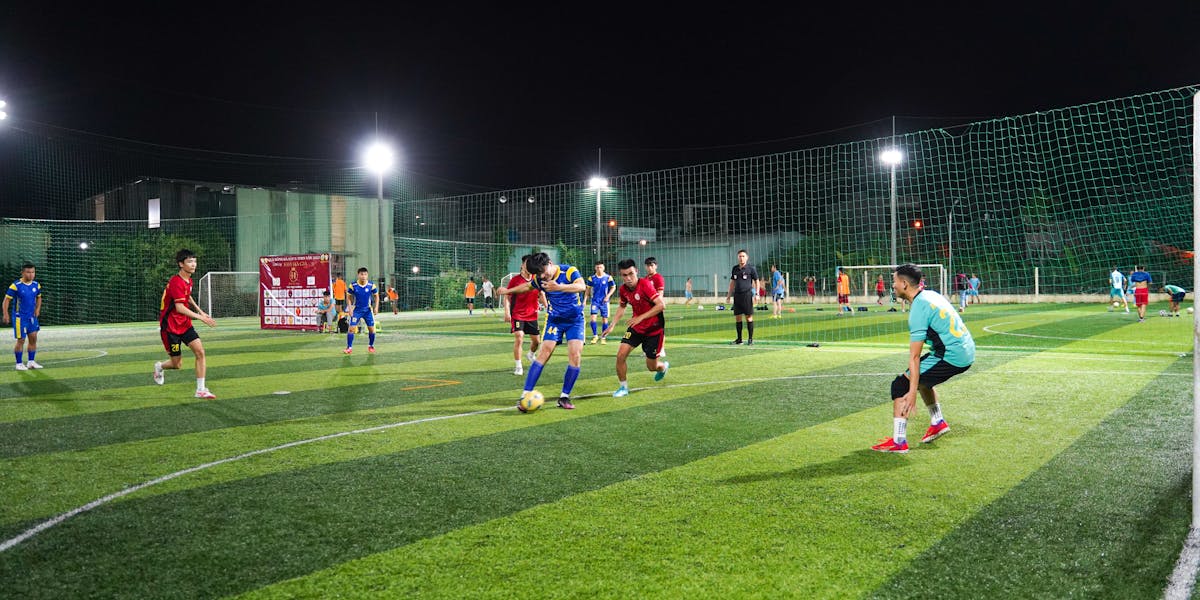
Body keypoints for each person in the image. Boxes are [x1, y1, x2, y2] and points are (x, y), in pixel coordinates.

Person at [872, 264, 975, 453]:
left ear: (904, 284)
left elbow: (915, 356)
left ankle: (899, 441)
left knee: (900, 385)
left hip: (952, 355)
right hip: (964, 349)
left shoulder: (918, 309)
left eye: (894, 282)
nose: (892, 286)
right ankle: (938, 422)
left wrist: (911, 392)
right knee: (923, 379)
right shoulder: (931, 294)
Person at [497, 252, 587, 409]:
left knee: (575, 355)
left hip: (575, 321)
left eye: (544, 271)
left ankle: (564, 397)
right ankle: (525, 396)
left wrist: (560, 287)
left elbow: (581, 286)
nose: (543, 276)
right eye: (539, 274)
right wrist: (507, 291)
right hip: (554, 321)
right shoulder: (539, 279)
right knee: (544, 354)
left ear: (550, 263)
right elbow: (526, 286)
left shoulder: (569, 271)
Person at [153, 249, 217, 398]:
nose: (193, 264)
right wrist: (201, 318)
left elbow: (187, 297)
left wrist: (201, 311)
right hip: (170, 329)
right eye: (189, 261)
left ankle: (200, 390)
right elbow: (179, 307)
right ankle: (159, 366)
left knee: (200, 352)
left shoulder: (189, 280)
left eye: (194, 261)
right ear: (181, 264)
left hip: (185, 325)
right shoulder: (176, 282)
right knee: (177, 364)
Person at [605, 259, 668, 397]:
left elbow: (661, 305)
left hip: (654, 330)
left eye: (631, 274)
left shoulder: (645, 284)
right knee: (620, 355)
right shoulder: (623, 289)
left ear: (636, 272)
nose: (628, 278)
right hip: (636, 328)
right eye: (624, 275)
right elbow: (622, 306)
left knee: (651, 367)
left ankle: (662, 367)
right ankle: (623, 388)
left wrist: (641, 317)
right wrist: (613, 324)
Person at [501, 255, 542, 375]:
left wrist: (547, 306)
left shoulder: (536, 279)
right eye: (527, 263)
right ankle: (518, 366)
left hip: (532, 315)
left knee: (537, 342)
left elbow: (541, 294)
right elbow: (507, 296)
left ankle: (530, 354)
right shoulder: (515, 280)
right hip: (517, 314)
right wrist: (507, 312)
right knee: (519, 336)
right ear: (522, 265)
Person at [3, 263, 43, 370]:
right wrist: (5, 314)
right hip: (19, 317)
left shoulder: (36, 285)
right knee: (21, 340)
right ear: (23, 273)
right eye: (28, 272)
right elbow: (6, 300)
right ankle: (19, 363)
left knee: (33, 338)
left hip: (32, 317)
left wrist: (38, 309)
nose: (31, 274)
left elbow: (39, 297)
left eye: (33, 272)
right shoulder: (15, 285)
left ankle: (31, 362)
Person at [725, 249, 759, 345]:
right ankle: (739, 339)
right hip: (737, 295)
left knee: (748, 317)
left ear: (747, 257)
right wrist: (728, 295)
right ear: (737, 257)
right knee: (738, 317)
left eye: (743, 256)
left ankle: (750, 339)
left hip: (747, 295)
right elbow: (732, 283)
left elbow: (757, 281)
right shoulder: (735, 269)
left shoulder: (751, 269)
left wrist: (757, 294)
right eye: (740, 256)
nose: (741, 258)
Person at [344, 267, 380, 354]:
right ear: (358, 275)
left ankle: (371, 346)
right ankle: (349, 348)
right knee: (351, 328)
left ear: (367, 275)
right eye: (361, 274)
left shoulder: (371, 285)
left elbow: (376, 296)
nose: (363, 276)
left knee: (371, 329)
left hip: (367, 311)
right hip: (357, 310)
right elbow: (348, 297)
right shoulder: (353, 285)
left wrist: (376, 307)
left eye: (365, 274)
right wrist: (350, 308)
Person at [586, 262, 616, 344]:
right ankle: (595, 336)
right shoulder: (591, 278)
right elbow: (587, 289)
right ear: (595, 268)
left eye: (601, 267)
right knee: (593, 318)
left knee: (605, 319)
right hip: (595, 301)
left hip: (604, 302)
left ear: (604, 268)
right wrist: (585, 300)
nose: (599, 269)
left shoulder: (608, 277)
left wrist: (608, 296)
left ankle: (603, 337)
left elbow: (613, 287)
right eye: (598, 267)